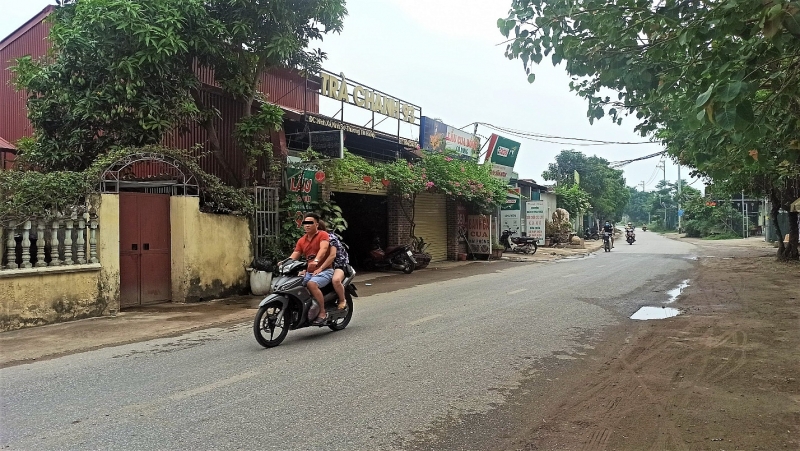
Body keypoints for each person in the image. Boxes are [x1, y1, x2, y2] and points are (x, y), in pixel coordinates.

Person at [287, 213, 332, 325]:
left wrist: (316, 261)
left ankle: (322, 312)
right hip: (309, 272)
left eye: (310, 223)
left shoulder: (323, 235)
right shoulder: (302, 240)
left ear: (316, 224)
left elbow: (324, 249)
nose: (307, 225)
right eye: (305, 223)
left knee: (312, 284)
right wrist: (284, 263)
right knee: (294, 285)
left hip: (325, 270)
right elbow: (295, 254)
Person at [318, 221, 350, 310]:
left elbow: (332, 256)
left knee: (335, 280)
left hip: (339, 264)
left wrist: (321, 268)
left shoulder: (330, 238)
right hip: (322, 264)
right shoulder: (309, 239)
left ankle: (342, 300)